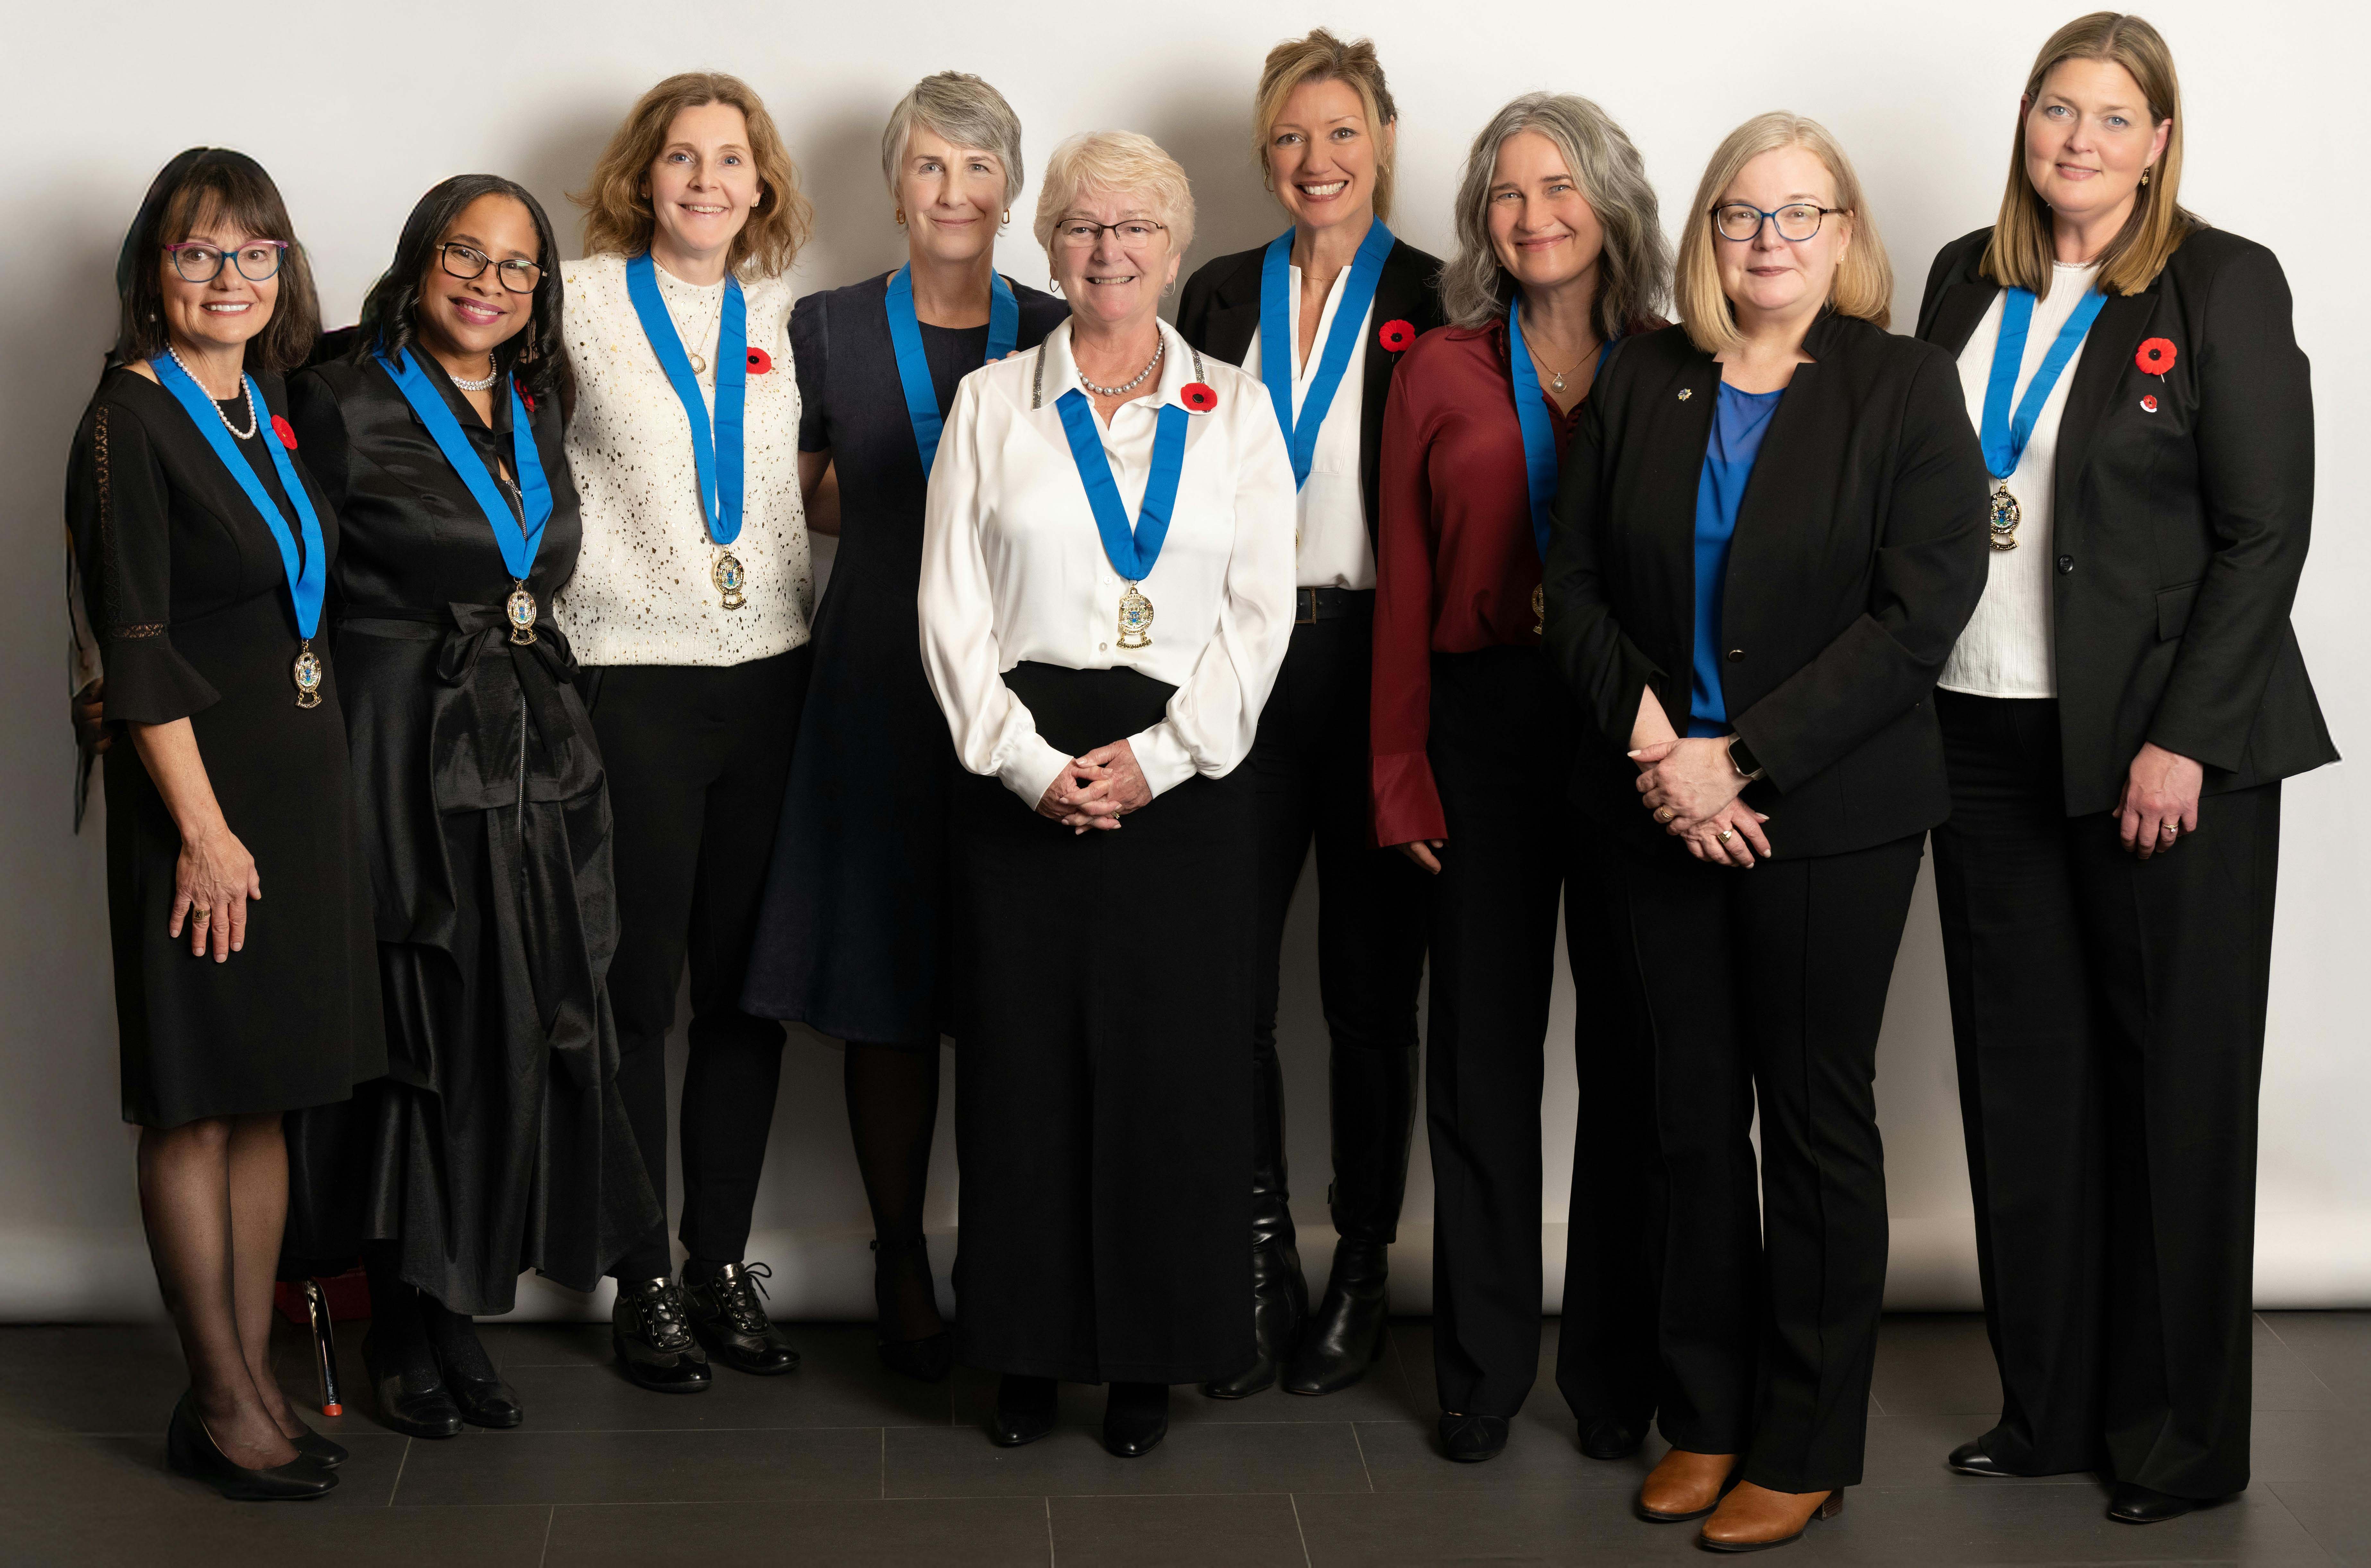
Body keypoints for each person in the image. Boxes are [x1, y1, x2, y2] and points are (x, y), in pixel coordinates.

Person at [1543, 113, 1989, 1548]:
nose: (1768, 243)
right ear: (1705, 235)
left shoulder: (1904, 386)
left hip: (1830, 816)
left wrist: (1745, 760)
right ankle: (1706, 1415)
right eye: (1741, 216)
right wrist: (1661, 751)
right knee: (1684, 1123)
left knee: (1807, 1124)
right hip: (1653, 799)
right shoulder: (1645, 374)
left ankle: (1802, 1441)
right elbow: (1572, 580)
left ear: (1845, 233)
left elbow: (1917, 613)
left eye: (1800, 216)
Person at [1912, 12, 2332, 1524]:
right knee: (2023, 1083)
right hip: (1978, 729)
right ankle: (2048, 1406)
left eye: (2108, 116)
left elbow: (2260, 534)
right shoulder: (1966, 274)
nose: (2075, 141)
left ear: (2157, 139)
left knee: (2172, 1089)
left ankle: (2176, 1439)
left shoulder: (2218, 281)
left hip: (2164, 750)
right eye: (2051, 110)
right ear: (2023, 126)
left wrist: (2184, 739)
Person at [917, 131, 1295, 1458]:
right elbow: (949, 610)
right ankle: (1022, 1348)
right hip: (1023, 753)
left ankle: (1148, 1353)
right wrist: (1025, 762)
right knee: (1021, 1065)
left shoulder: (1237, 411)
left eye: (1133, 228)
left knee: (1171, 1071)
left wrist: (1164, 755)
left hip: (1183, 769)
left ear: (1174, 249)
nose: (1107, 250)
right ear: (1047, 247)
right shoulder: (988, 405)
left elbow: (1260, 615)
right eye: (1081, 227)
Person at [285, 175, 662, 1438]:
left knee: (511, 1024)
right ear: (419, 258)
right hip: (396, 740)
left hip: (519, 742)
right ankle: (403, 1317)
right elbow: (296, 587)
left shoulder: (533, 405)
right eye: (466, 254)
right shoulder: (340, 398)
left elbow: (530, 572)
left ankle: (457, 1311)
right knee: (418, 1033)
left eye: (516, 267)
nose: (489, 283)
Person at [66, 148, 384, 1499]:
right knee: (197, 1105)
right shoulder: (126, 420)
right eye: (200, 253)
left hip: (293, 801)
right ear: (153, 269)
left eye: (255, 252)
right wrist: (201, 828)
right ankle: (212, 1397)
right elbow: (131, 648)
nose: (230, 278)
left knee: (267, 1101)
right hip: (203, 809)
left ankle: (255, 1381)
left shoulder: (264, 403)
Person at [739, 73, 1066, 1384]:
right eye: (929, 167)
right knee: (882, 986)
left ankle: (1011, 1258)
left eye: (977, 169)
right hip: (877, 681)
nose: (952, 193)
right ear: (893, 185)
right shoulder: (820, 328)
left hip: (1020, 685)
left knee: (1011, 986)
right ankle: (894, 1257)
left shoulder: (1056, 324)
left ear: (1012, 190)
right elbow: (795, 501)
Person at [1367, 92, 1668, 1464]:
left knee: (1629, 1055)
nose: (1532, 212)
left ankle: (1611, 1378)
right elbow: (1401, 579)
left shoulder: (1678, 361)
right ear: (1479, 220)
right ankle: (1480, 1372)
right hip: (1478, 728)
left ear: (1607, 202)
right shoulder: (1435, 364)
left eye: (1558, 186)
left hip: (1629, 734)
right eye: (1504, 191)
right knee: (1479, 1054)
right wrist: (1397, 767)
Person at [1172, 27, 1439, 1401]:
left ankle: (1365, 1266)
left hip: (1376, 663)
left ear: (1381, 142)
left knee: (1367, 987)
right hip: (1237, 662)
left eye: (1339, 133)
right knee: (1226, 974)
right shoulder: (1215, 294)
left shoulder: (1448, 299)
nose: (1314, 161)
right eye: (1289, 137)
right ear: (1263, 155)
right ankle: (1259, 1247)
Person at [560, 71, 817, 1393]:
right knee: (633, 991)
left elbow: (819, 481)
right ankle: (638, 1272)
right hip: (633, 674)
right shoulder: (578, 300)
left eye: (731, 160)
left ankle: (719, 1261)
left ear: (762, 183)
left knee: (745, 989)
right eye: (681, 158)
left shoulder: (787, 316)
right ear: (641, 178)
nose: (707, 181)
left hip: (771, 674)